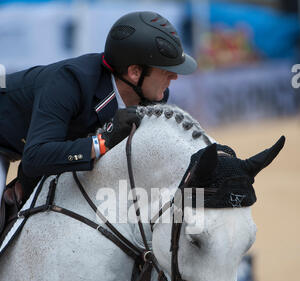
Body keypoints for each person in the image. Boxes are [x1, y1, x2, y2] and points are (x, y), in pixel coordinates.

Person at [0, 11, 197, 210]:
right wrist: (102, 142)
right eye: (166, 71)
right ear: (135, 72)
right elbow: (35, 157)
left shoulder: (154, 95)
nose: (175, 78)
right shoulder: (69, 83)